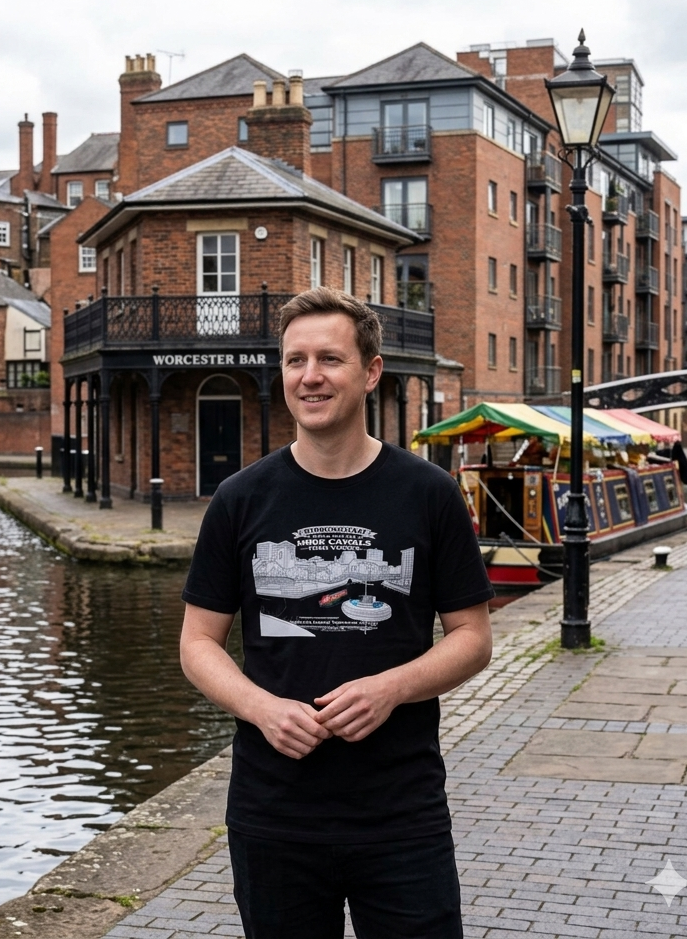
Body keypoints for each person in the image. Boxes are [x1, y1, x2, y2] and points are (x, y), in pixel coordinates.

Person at [180, 287, 493, 939]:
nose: (310, 376)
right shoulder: (240, 499)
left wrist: (391, 688)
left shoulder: (429, 493)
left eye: (329, 358)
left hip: (400, 811)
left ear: (370, 372)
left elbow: (472, 636)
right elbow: (198, 644)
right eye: (295, 361)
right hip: (274, 814)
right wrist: (262, 707)